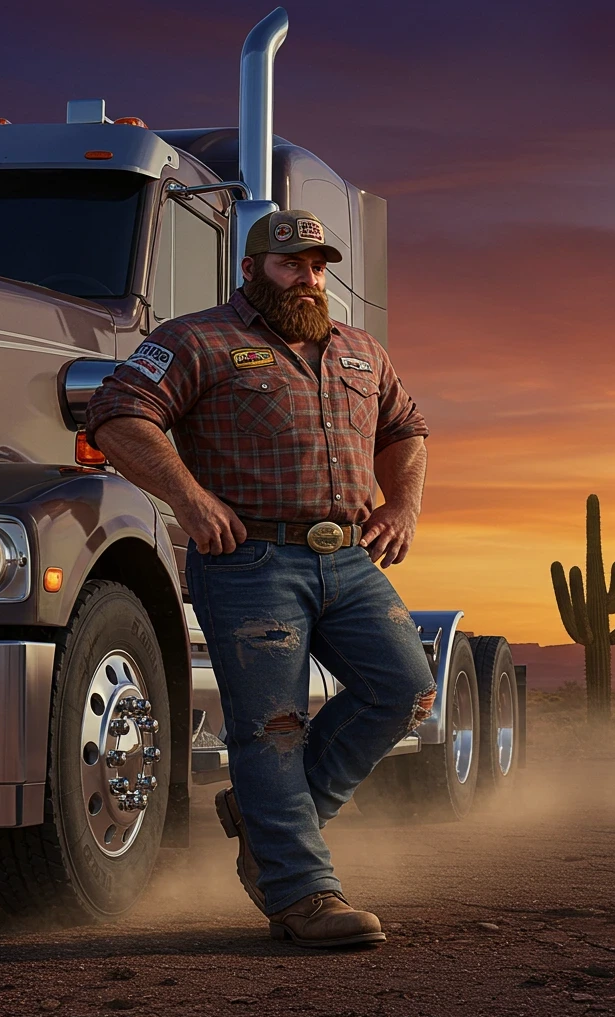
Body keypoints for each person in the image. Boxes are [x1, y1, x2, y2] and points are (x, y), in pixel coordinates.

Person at [85, 208, 437, 948]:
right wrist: (189, 498)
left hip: (349, 557)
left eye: (316, 264)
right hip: (251, 564)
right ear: (251, 270)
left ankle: (268, 818)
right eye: (290, 264)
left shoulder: (362, 351)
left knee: (404, 689)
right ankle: (301, 893)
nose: (307, 277)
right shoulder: (196, 340)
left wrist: (402, 505)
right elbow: (118, 415)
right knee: (274, 730)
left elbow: (405, 429)